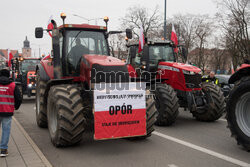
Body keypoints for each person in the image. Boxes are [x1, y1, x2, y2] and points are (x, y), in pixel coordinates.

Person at [0, 69, 22, 157]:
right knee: (6, 131)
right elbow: (19, 98)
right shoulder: (13, 85)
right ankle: (3, 150)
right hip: (7, 112)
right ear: (8, 75)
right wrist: (16, 107)